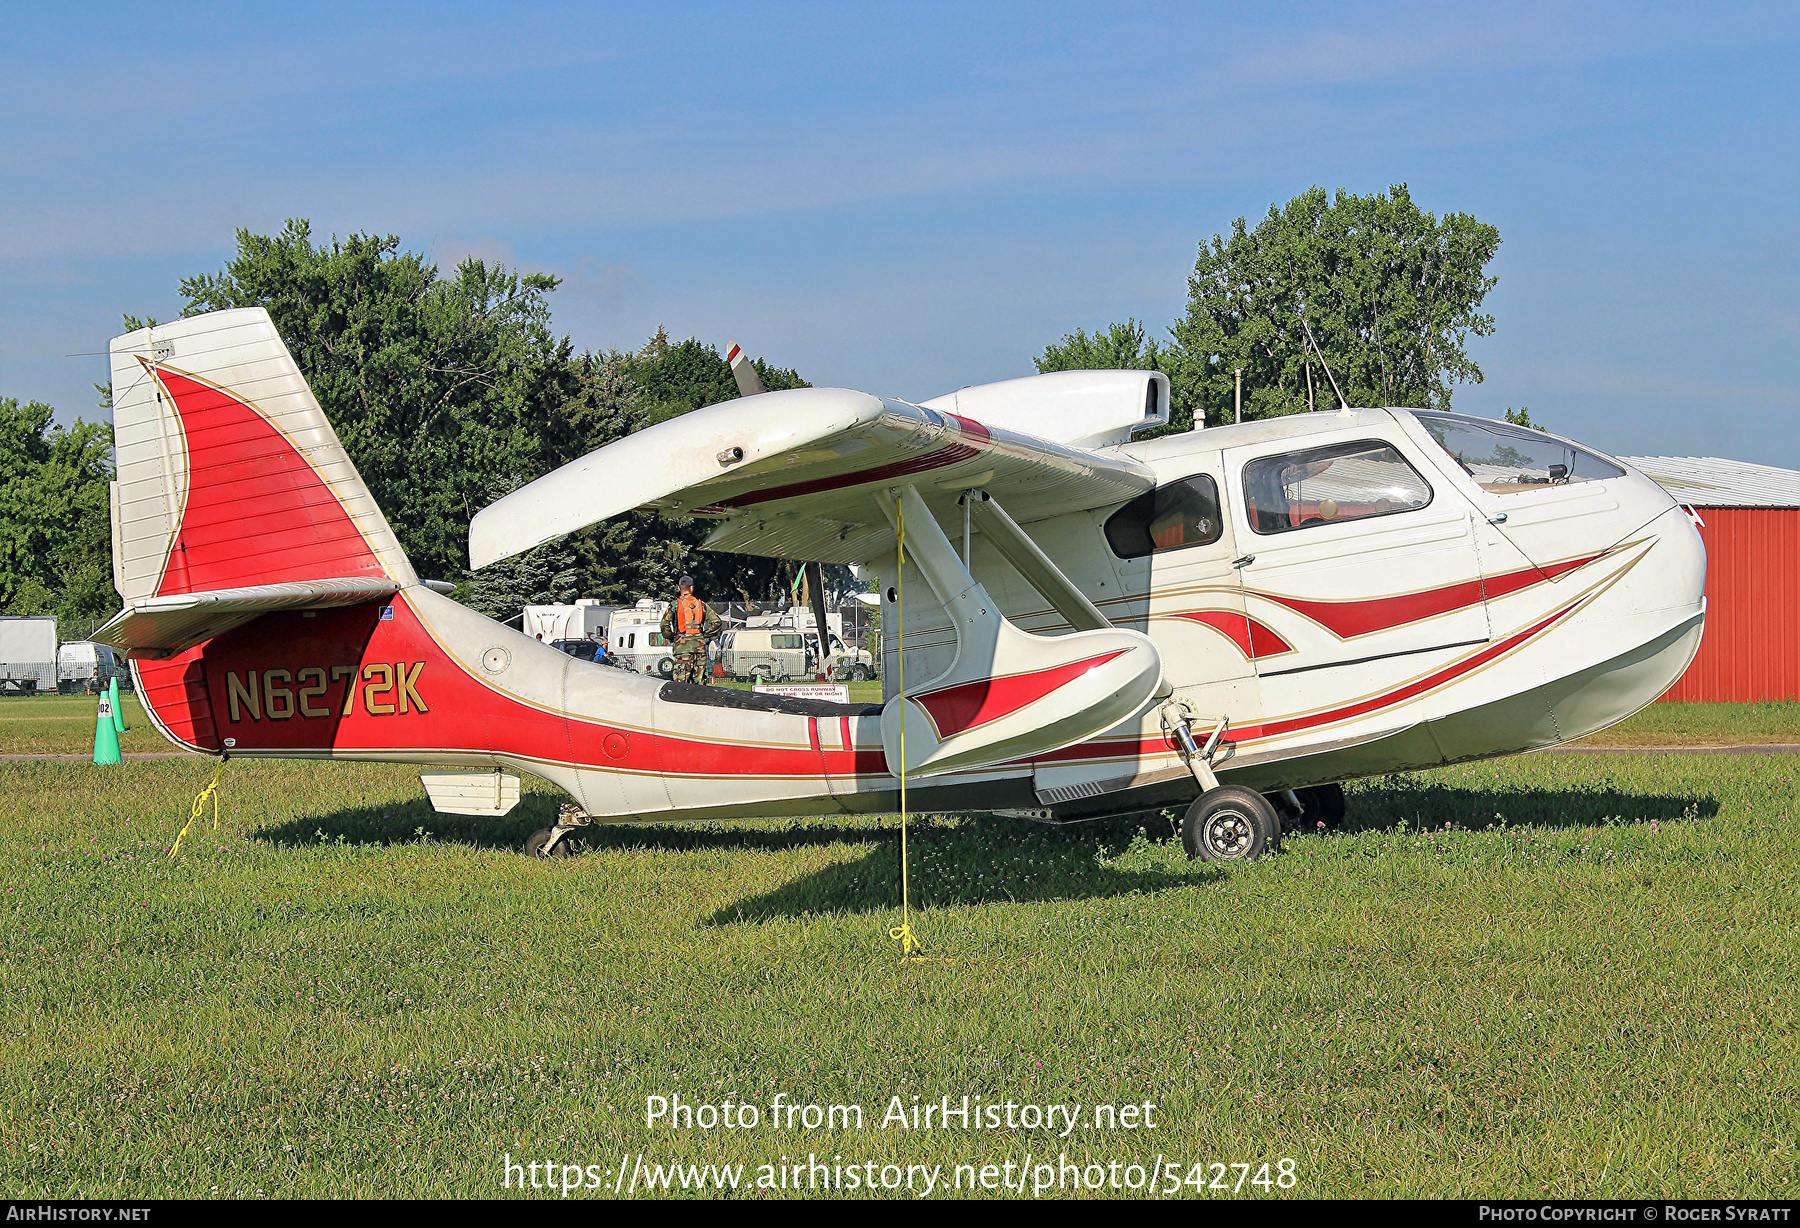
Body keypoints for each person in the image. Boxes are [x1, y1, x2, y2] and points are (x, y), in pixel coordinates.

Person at [660, 575, 721, 685]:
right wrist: (703, 635)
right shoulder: (701, 604)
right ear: (692, 588)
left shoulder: (675, 605)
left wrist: (672, 637)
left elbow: (664, 625)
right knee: (700, 682)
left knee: (681, 682)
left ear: (679, 588)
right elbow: (717, 622)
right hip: (699, 648)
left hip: (682, 648)